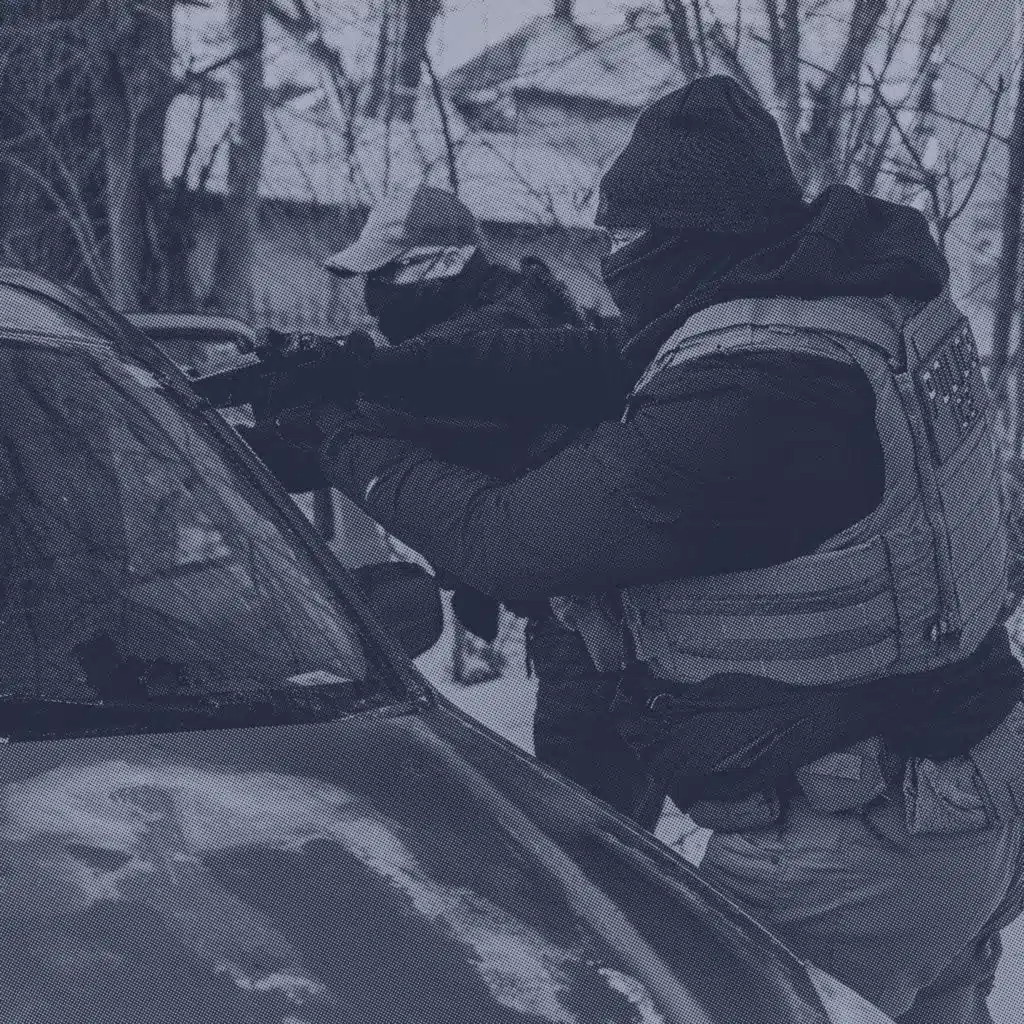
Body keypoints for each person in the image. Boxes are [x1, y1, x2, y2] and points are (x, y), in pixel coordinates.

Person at [263, 77, 1024, 1022]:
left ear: (685, 235)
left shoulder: (759, 395)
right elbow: (596, 356)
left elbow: (506, 541)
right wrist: (374, 369)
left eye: (625, 236)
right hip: (963, 796)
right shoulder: (848, 305)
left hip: (855, 847)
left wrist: (338, 439)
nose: (613, 256)